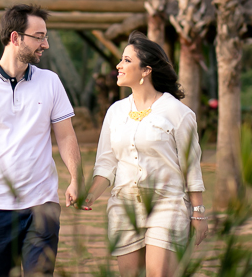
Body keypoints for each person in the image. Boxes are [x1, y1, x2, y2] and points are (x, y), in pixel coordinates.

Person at [0, 4, 82, 277]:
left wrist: (76, 177)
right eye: (39, 36)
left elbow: (66, 134)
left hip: (42, 205)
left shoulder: (51, 82)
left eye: (46, 36)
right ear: (15, 38)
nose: (45, 44)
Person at [82, 31, 207, 277]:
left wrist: (199, 214)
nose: (119, 65)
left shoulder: (178, 113)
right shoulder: (115, 112)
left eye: (127, 60)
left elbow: (191, 168)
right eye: (121, 59)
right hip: (123, 207)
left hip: (167, 205)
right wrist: (90, 196)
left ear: (146, 70)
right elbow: (107, 163)